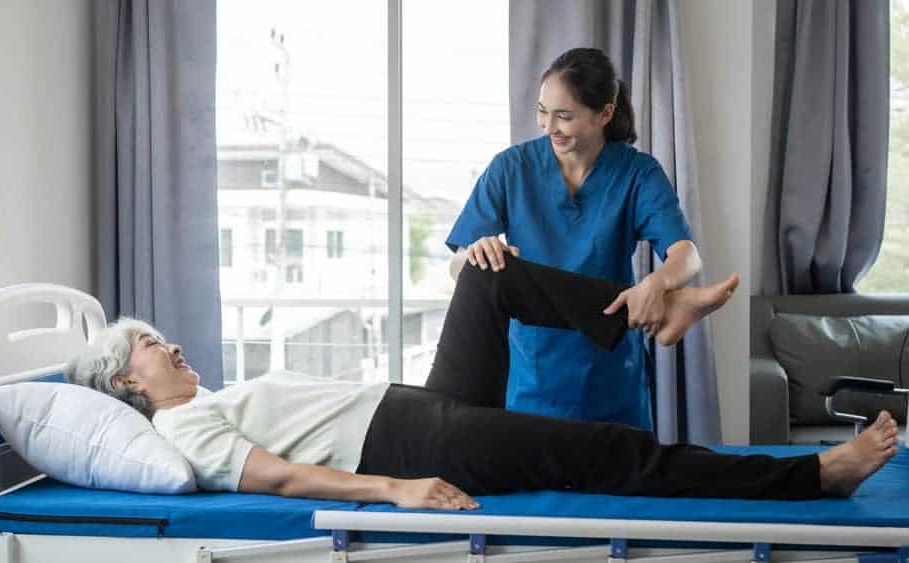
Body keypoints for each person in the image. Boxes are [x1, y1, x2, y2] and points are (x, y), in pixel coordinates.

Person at [67, 258, 897, 510]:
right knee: (609, 452)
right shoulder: (182, 435)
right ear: (124, 383)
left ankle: (653, 311)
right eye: (147, 346)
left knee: (485, 275)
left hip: (412, 404)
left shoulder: (201, 403)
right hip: (413, 442)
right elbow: (281, 475)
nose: (167, 344)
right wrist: (397, 490)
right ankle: (812, 474)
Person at [443, 47, 701, 429]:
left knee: (623, 482)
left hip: (610, 373)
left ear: (605, 114)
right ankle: (682, 303)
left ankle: (681, 299)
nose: (548, 127)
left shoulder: (637, 173)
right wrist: (477, 255)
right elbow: (457, 266)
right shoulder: (511, 168)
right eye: (543, 112)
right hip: (534, 375)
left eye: (564, 116)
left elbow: (687, 255)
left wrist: (658, 283)